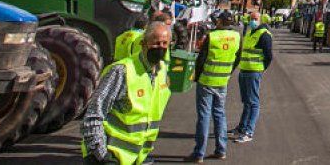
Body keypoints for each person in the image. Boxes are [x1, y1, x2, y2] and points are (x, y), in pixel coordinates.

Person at [81, 21, 172, 165]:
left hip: (136, 157)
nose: (160, 48)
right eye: (156, 43)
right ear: (143, 44)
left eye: (164, 43)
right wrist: (101, 155)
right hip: (110, 157)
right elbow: (94, 113)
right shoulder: (122, 71)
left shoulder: (161, 74)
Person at [188, 11, 240, 162]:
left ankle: (199, 153)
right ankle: (221, 150)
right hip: (222, 81)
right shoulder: (237, 36)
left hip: (207, 80)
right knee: (220, 114)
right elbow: (238, 57)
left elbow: (201, 59)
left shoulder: (213, 36)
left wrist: (197, 77)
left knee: (204, 116)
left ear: (220, 21)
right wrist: (228, 72)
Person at [230, 12, 274, 143]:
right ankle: (241, 128)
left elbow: (269, 56)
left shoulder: (264, 35)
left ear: (261, 20)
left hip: (254, 71)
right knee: (246, 101)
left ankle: (249, 131)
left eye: (255, 19)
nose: (252, 21)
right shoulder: (250, 33)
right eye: (251, 19)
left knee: (253, 102)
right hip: (244, 70)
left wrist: (261, 69)